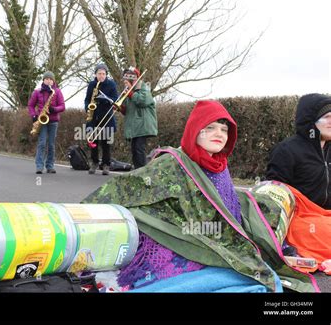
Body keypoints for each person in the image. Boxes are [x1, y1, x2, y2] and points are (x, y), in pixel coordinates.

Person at [85, 100, 316, 293]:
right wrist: (79, 216)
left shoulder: (220, 166)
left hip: (215, 239)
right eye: (211, 128)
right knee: (252, 278)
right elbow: (123, 187)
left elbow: (229, 213)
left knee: (262, 274)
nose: (219, 134)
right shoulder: (172, 163)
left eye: (224, 129)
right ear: (195, 130)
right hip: (181, 238)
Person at [267, 93, 331, 209]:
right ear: (310, 121)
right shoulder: (286, 150)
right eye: (327, 117)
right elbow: (274, 195)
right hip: (302, 218)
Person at [117, 67, 158, 169]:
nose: (125, 83)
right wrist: (120, 108)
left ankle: (142, 172)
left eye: (126, 81)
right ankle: (137, 170)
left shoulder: (143, 87)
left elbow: (143, 101)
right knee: (135, 149)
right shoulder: (128, 91)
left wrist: (131, 94)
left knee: (139, 149)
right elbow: (128, 111)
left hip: (142, 124)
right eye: (124, 81)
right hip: (135, 125)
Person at [28, 71, 65, 174]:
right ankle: (39, 166)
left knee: (51, 144)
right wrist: (34, 116)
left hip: (53, 121)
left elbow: (62, 106)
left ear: (53, 81)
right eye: (47, 79)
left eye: (51, 79)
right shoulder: (37, 92)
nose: (49, 81)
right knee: (42, 143)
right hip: (42, 120)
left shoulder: (57, 91)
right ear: (43, 80)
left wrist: (54, 109)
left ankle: (50, 166)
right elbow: (30, 105)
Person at [84, 63, 118, 175]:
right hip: (94, 117)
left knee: (106, 143)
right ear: (95, 74)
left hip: (106, 117)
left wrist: (104, 99)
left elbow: (115, 99)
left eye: (103, 74)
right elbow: (87, 99)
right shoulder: (92, 84)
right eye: (99, 73)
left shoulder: (111, 84)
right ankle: (94, 163)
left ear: (106, 74)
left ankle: (106, 164)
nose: (101, 76)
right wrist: (87, 109)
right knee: (93, 141)